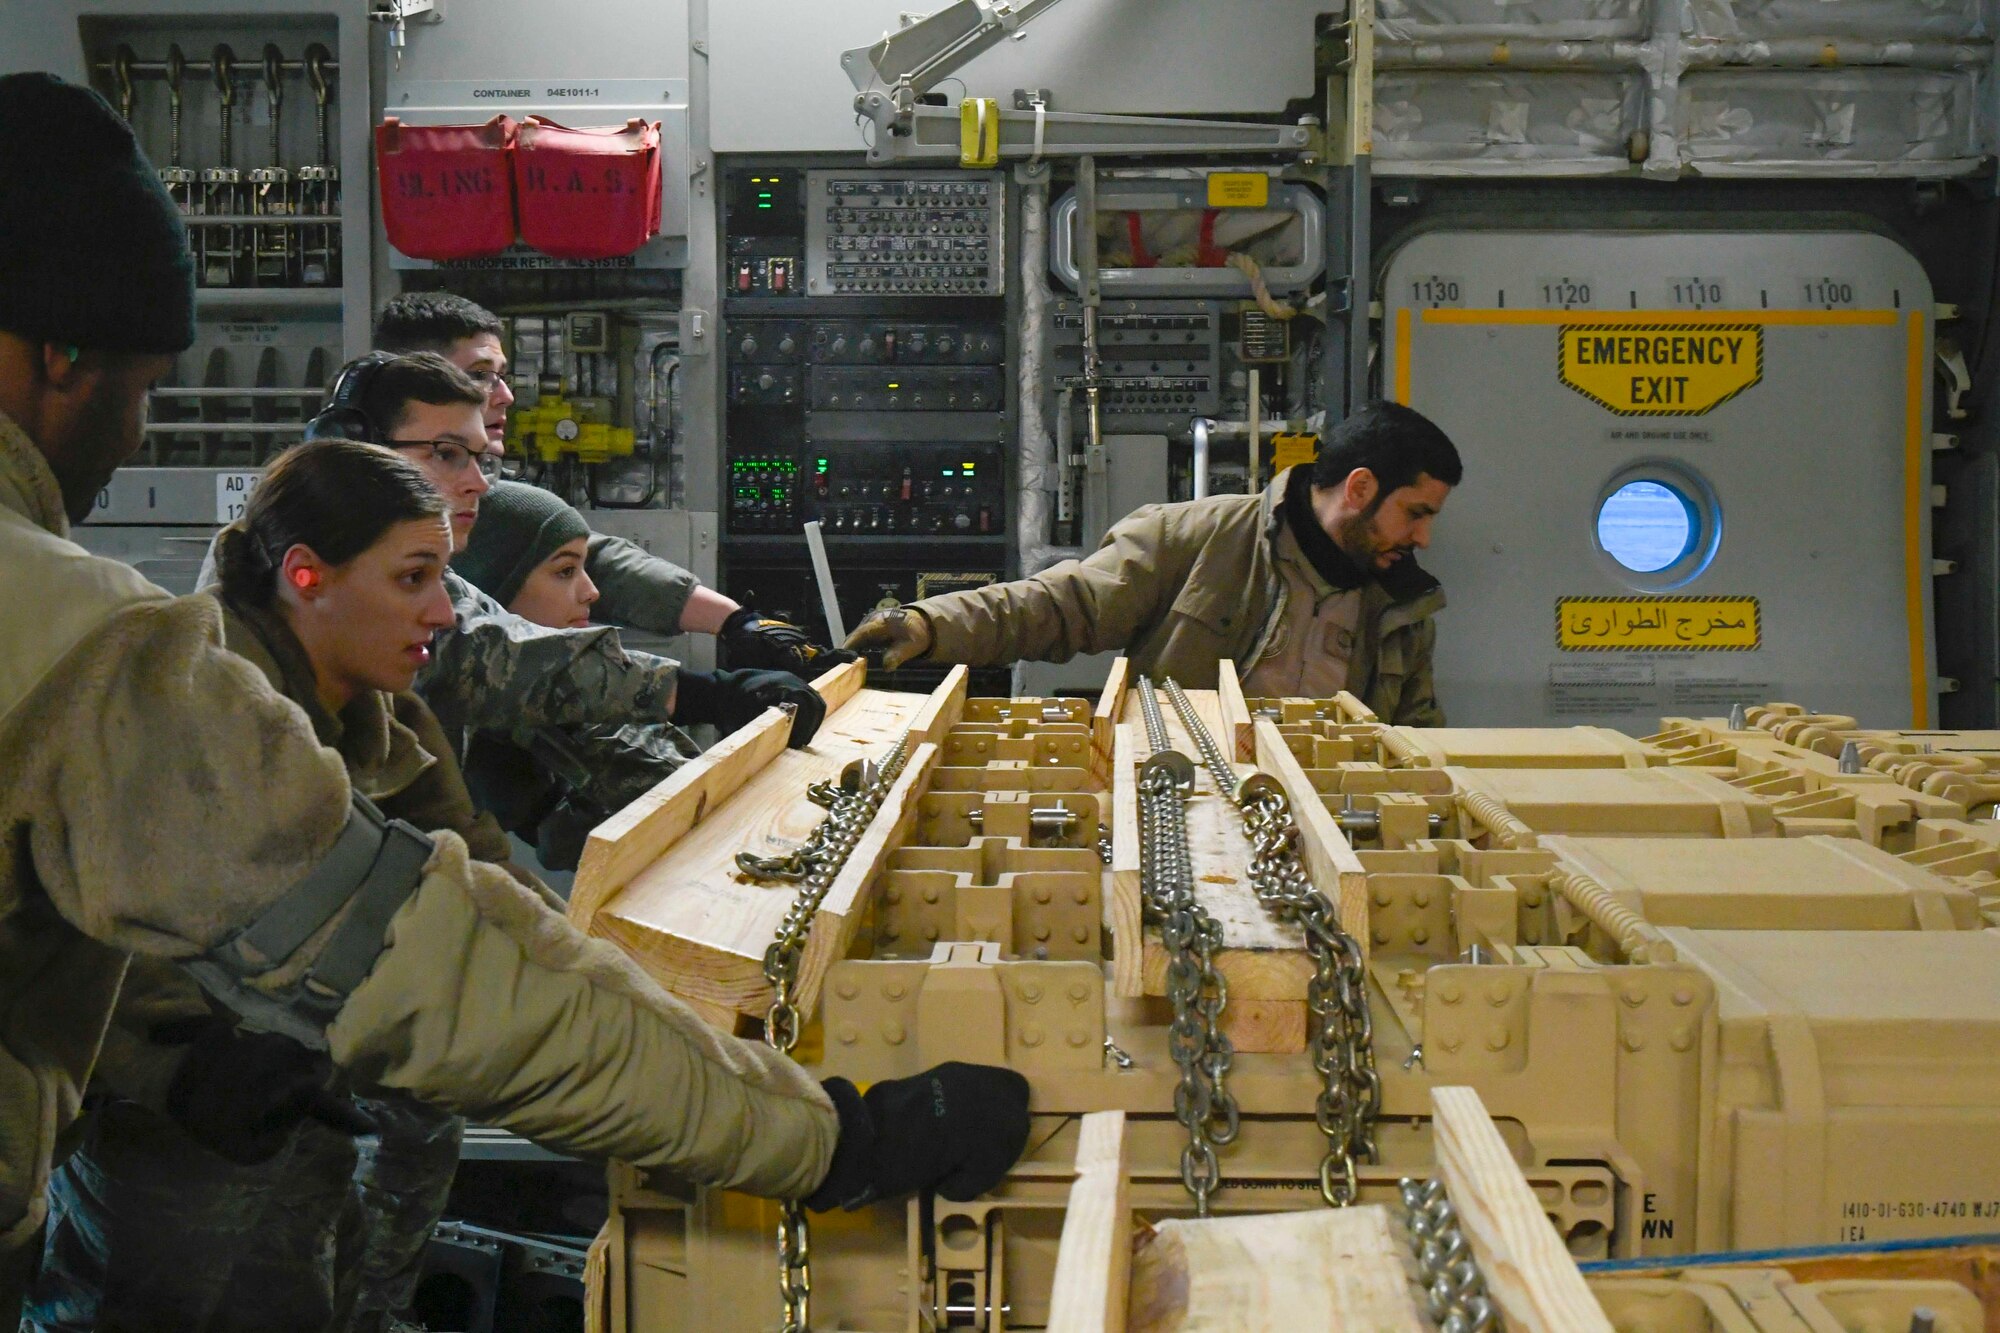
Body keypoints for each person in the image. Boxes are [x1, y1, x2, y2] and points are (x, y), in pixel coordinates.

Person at [0, 71, 1029, 1327]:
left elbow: (481, 830)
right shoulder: (82, 636)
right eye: (147, 385)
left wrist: (146, 1056)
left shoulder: (337, 689)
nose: (135, 431)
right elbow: (428, 953)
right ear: (59, 351)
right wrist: (827, 1140)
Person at [847, 401, 1463, 724]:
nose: (1426, 539)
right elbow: (1064, 605)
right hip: (1180, 805)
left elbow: (1412, 743)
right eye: (1416, 513)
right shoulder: (1196, 539)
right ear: (1359, 490)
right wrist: (932, 625)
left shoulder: (1403, 608)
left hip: (1328, 828)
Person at [374, 290, 847, 677]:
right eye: (480, 376)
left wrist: (740, 623)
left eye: (502, 376)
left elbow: (586, 556)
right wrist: (702, 694)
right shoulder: (357, 511)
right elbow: (485, 651)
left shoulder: (474, 486)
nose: (505, 396)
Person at [451, 480, 702, 873]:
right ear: (495, 589)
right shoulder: (466, 734)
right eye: (565, 571)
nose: (591, 592)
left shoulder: (582, 700)